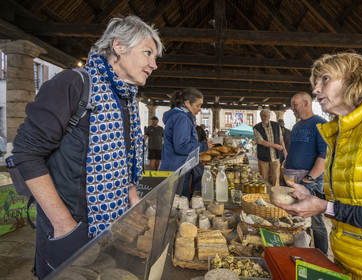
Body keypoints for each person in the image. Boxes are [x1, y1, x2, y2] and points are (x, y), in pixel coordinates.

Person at [12, 16, 163, 278]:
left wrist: (130, 191)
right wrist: (63, 225)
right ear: (119, 46)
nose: (154, 64)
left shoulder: (124, 98)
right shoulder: (73, 83)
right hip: (70, 225)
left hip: (111, 226)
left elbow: (120, 158)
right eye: (148, 52)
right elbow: (26, 153)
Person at [275, 52, 362, 279]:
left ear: (354, 80)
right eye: (315, 83)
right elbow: (355, 197)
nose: (316, 90)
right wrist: (314, 195)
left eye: (325, 79)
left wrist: (325, 207)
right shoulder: (342, 133)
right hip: (351, 262)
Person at [283, 92, 329, 255]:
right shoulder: (296, 126)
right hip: (294, 180)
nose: (292, 108)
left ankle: (321, 255)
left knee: (315, 221)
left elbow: (324, 154)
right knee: (301, 220)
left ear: (306, 104)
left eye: (294, 104)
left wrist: (310, 178)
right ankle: (305, 251)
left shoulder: (320, 124)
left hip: (309, 181)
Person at [160, 88, 213, 198]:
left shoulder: (179, 116)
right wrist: (204, 146)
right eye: (198, 105)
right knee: (178, 205)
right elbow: (181, 147)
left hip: (174, 167)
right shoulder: (182, 118)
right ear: (187, 103)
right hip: (178, 170)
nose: (200, 109)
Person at [253, 109, 287, 187]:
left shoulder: (276, 126)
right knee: (264, 178)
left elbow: (281, 139)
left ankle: (275, 194)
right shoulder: (257, 128)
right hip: (263, 158)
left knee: (276, 178)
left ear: (269, 116)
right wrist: (276, 146)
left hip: (275, 157)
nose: (263, 118)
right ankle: (266, 194)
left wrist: (285, 151)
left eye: (265, 116)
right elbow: (261, 142)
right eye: (262, 116)